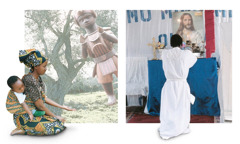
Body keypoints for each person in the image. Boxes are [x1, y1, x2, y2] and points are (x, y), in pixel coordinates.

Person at [6, 49, 75, 136]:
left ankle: (28, 128)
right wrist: (55, 116)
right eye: (44, 66)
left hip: (34, 113)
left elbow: (43, 98)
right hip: (24, 116)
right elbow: (40, 105)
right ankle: (22, 128)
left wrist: (63, 107)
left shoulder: (37, 79)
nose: (46, 69)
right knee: (55, 127)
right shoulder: (29, 79)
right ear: (35, 66)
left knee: (58, 123)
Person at [74, 10, 118, 105]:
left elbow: (116, 40)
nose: (85, 21)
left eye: (87, 17)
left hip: (112, 57)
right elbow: (84, 56)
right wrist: (82, 45)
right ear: (79, 24)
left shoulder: (105, 30)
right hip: (100, 63)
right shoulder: (85, 39)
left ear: (94, 16)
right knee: (104, 80)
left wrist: (104, 34)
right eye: (81, 20)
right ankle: (111, 97)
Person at [158, 34, 197, 139]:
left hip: (169, 84)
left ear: (171, 43)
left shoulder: (165, 53)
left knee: (169, 107)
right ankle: (181, 127)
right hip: (181, 84)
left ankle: (169, 127)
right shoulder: (186, 54)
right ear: (181, 43)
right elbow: (193, 60)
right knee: (181, 107)